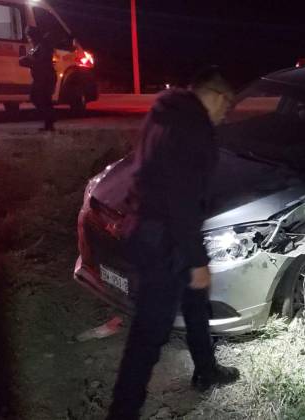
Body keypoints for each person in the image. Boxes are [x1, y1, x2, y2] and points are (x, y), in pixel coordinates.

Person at [106, 66, 239, 420]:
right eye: (227, 105)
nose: (226, 114)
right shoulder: (193, 128)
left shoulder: (166, 111)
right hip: (164, 241)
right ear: (214, 95)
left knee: (196, 303)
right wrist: (196, 260)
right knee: (149, 332)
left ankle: (206, 370)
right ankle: (123, 411)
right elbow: (182, 200)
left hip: (148, 228)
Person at [20, 26, 56, 131]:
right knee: (43, 99)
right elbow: (32, 58)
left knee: (38, 98)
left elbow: (41, 61)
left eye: (29, 36)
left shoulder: (42, 46)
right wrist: (26, 60)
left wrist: (28, 61)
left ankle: (50, 119)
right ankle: (49, 123)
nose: (29, 39)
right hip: (41, 77)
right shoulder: (37, 46)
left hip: (45, 77)